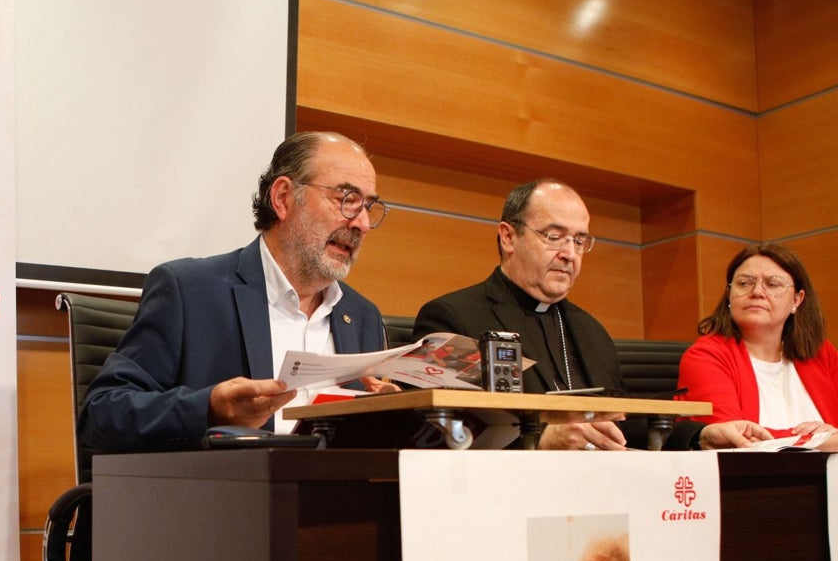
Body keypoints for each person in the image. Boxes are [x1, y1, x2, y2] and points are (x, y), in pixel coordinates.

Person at [79, 131, 392, 454]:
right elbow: (101, 415)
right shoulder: (189, 290)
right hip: (228, 497)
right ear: (283, 198)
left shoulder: (362, 315)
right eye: (347, 200)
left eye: (369, 206)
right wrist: (208, 409)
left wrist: (395, 415)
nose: (363, 224)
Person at [412, 179, 772, 451]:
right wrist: (542, 441)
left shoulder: (591, 332)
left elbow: (622, 424)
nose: (570, 253)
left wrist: (702, 434)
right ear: (509, 237)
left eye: (580, 240)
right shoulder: (453, 318)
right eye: (555, 237)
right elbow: (437, 435)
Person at [677, 243, 838, 444]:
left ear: (797, 299)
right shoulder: (705, 356)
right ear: (729, 295)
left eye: (773, 284)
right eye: (744, 283)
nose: (757, 292)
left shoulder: (821, 353)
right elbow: (732, 436)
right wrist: (820, 439)